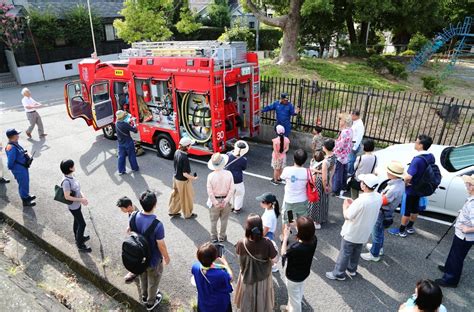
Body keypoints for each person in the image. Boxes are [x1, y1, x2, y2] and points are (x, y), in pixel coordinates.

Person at [326, 174, 382, 281]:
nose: (360, 183)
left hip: (352, 231)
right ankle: (352, 269)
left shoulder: (361, 201)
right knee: (357, 251)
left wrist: (345, 206)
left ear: (364, 186)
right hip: (365, 231)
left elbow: (348, 215)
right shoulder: (378, 197)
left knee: (345, 253)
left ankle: (338, 273)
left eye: (362, 182)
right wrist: (353, 205)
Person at [389, 134, 435, 237]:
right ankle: (410, 227)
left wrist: (403, 181)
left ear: (421, 145)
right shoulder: (430, 156)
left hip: (412, 189)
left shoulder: (417, 160)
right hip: (421, 188)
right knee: (415, 209)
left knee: (407, 210)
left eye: (416, 142)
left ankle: (401, 230)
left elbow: (409, 177)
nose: (415, 143)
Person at [361, 161, 405, 262]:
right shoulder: (400, 183)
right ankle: (379, 249)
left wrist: (373, 197)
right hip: (387, 213)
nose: (387, 172)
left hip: (383, 212)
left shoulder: (394, 188)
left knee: (376, 233)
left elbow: (383, 201)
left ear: (394, 174)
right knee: (379, 231)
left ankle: (374, 254)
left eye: (389, 171)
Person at [435, 174, 474, 288]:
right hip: (462, 235)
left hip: (465, 236)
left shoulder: (473, 204)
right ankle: (448, 268)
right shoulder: (471, 200)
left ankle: (450, 279)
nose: (466, 186)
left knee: (457, 256)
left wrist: (468, 229)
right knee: (454, 253)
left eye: (468, 184)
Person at [134, 190, 170, 311]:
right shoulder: (157, 225)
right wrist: (166, 257)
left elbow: (129, 231)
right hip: (153, 259)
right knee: (153, 281)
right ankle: (150, 303)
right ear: (155, 204)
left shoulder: (134, 216)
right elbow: (161, 245)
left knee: (142, 276)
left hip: (138, 257)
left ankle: (144, 296)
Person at [234, 214, 278, 312]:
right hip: (262, 277)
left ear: (247, 228)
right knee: (261, 297)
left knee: (247, 297)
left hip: (246, 275)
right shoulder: (267, 243)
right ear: (260, 227)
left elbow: (238, 257)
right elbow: (275, 260)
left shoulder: (241, 243)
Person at [280, 217, 317, 312]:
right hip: (304, 273)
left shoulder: (295, 248)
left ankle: (292, 309)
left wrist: (285, 238)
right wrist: (296, 225)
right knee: (297, 293)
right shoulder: (314, 240)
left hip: (293, 276)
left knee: (294, 301)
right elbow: (304, 233)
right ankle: (288, 308)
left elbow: (283, 253)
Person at [191, 242, 233, 312]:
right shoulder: (220, 273)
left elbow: (205, 267)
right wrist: (225, 263)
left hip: (203, 305)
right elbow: (231, 278)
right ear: (215, 257)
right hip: (220, 305)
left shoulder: (195, 267)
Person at [60, 159, 91, 252]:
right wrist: (81, 199)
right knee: (82, 224)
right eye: (73, 165)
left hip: (77, 205)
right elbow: (67, 196)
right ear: (70, 168)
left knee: (77, 221)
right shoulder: (66, 182)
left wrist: (83, 197)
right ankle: (80, 244)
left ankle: (78, 237)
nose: (74, 166)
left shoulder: (71, 176)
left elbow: (77, 189)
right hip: (73, 207)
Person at [207, 153, 235, 243]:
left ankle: (214, 236)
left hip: (215, 200)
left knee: (213, 220)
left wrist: (215, 202)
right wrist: (226, 200)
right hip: (226, 201)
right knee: (224, 220)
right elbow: (232, 189)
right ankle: (222, 236)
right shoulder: (229, 174)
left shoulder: (210, 176)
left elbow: (210, 192)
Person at [280, 149, 309, 233]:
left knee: (288, 221)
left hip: (289, 202)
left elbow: (281, 178)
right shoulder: (307, 172)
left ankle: (284, 238)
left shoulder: (287, 170)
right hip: (302, 201)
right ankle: (301, 235)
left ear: (294, 158)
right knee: (302, 220)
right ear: (305, 160)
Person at [168, 137, 198, 219]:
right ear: (187, 146)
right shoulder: (184, 158)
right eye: (190, 145)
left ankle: (172, 211)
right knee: (186, 198)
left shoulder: (177, 152)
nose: (191, 146)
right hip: (183, 181)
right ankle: (188, 214)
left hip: (175, 178)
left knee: (176, 196)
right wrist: (193, 178)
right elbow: (185, 174)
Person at [5, 129, 35, 207]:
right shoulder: (11, 147)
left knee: (25, 182)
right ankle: (25, 200)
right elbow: (10, 161)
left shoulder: (15, 143)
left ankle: (26, 196)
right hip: (19, 169)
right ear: (13, 136)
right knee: (23, 183)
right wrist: (14, 170)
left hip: (23, 167)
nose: (18, 135)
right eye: (17, 134)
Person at [117, 196, 140, 283]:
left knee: (134, 255)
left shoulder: (136, 215)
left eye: (122, 208)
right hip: (135, 236)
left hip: (138, 239)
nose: (121, 210)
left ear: (129, 207)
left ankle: (134, 272)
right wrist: (129, 226)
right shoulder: (132, 210)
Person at [257, 192, 280, 273]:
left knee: (266, 251)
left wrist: (259, 238)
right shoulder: (270, 209)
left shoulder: (269, 216)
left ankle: (272, 265)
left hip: (266, 234)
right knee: (267, 250)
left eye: (262, 202)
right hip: (269, 233)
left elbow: (266, 229)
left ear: (269, 204)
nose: (260, 203)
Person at [332, 113, 353, 197]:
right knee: (344, 172)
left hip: (340, 156)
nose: (339, 121)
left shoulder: (344, 132)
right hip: (346, 155)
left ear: (344, 122)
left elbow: (340, 145)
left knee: (338, 173)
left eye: (341, 120)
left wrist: (335, 151)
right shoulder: (350, 130)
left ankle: (336, 190)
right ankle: (343, 186)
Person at [226, 140, 249, 214]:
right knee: (239, 193)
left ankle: (231, 206)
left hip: (229, 177)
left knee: (230, 193)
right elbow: (243, 168)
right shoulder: (243, 159)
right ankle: (237, 208)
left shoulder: (228, 154)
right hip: (238, 179)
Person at [115, 110, 139, 175]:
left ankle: (121, 170)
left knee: (121, 157)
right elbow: (135, 130)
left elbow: (124, 123)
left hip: (120, 143)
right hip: (128, 142)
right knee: (131, 156)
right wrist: (134, 122)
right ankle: (135, 168)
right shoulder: (125, 124)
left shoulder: (116, 123)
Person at [309, 150, 326, 229]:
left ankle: (310, 218)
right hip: (319, 184)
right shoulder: (324, 164)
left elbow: (311, 169)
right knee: (318, 202)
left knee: (311, 202)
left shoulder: (312, 161)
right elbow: (324, 179)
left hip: (312, 183)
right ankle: (317, 221)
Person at [348, 110, 365, 176]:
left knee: (351, 160)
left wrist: (353, 145)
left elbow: (358, 137)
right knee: (351, 159)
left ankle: (350, 173)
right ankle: (350, 172)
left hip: (354, 144)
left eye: (352, 115)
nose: (351, 116)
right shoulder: (356, 123)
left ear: (356, 116)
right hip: (353, 144)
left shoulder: (359, 125)